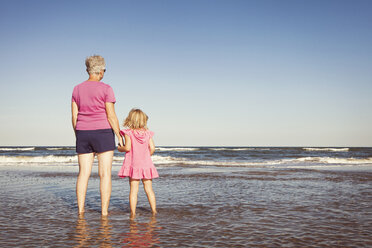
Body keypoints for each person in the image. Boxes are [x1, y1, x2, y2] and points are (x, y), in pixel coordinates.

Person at [71, 55, 123, 216]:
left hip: (83, 132)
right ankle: (104, 212)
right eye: (104, 70)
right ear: (101, 71)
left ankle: (80, 211)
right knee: (105, 174)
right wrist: (119, 135)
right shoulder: (106, 88)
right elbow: (111, 115)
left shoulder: (77, 89)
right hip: (103, 132)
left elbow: (74, 116)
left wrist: (79, 133)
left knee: (83, 173)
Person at [117, 109, 159, 218]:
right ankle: (154, 211)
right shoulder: (147, 133)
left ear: (130, 119)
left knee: (133, 190)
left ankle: (133, 213)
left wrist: (119, 148)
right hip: (146, 165)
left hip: (134, 165)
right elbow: (153, 148)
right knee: (149, 189)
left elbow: (127, 147)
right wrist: (145, 156)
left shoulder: (129, 133)